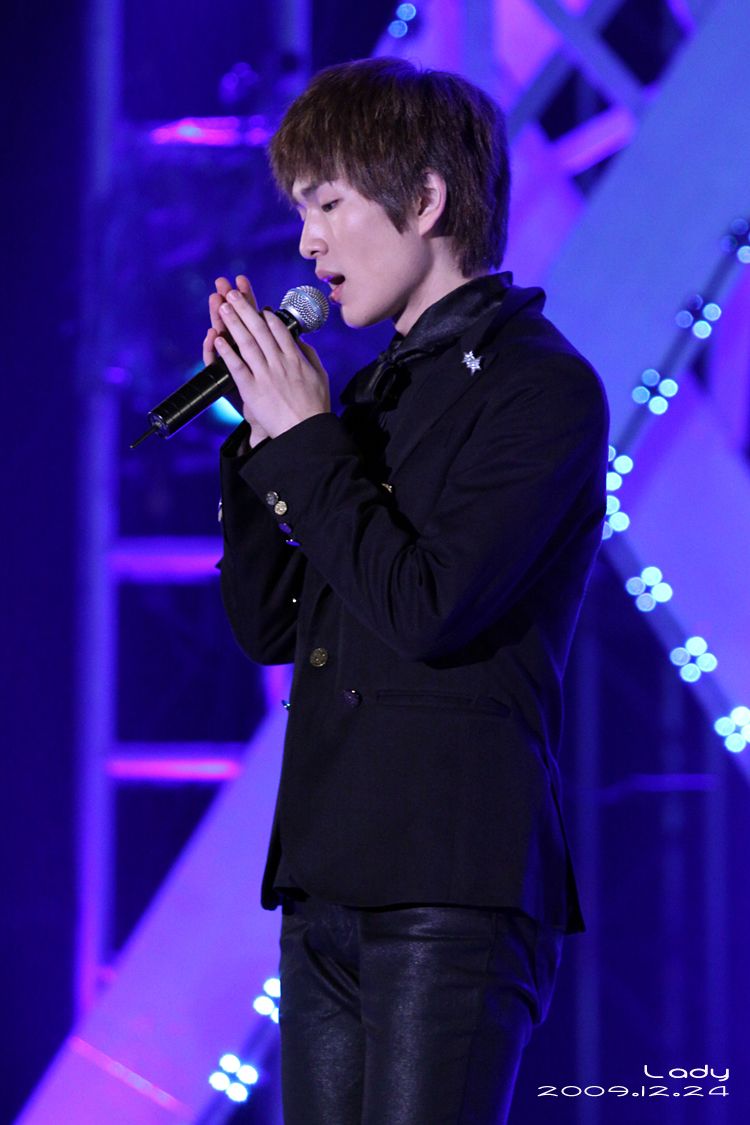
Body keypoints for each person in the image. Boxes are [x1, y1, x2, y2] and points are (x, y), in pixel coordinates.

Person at [209, 57, 608, 1125]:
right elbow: (270, 622)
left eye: (328, 204)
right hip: (326, 881)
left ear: (425, 200)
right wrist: (259, 435)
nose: (308, 244)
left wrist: (307, 438)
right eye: (302, 213)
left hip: (450, 885)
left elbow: (429, 606)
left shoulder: (540, 388)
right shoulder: (370, 396)